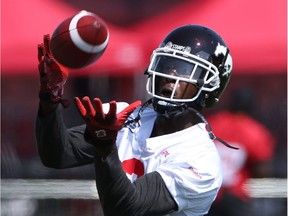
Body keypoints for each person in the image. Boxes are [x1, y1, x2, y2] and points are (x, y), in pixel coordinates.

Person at [36, 24, 234, 216]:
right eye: (167, 65)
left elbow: (125, 209)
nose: (169, 75)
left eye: (183, 69)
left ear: (210, 86)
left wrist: (105, 146)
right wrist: (50, 100)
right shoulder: (127, 116)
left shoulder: (201, 161)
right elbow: (57, 154)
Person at [206, 89, 275, 216]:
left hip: (206, 191)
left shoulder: (213, 122)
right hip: (235, 196)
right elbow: (262, 170)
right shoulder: (256, 131)